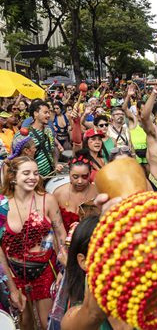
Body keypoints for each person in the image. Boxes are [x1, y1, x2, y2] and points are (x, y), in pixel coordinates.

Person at [0, 156, 67, 329]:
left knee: (48, 323)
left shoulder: (47, 200)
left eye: (36, 173)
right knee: (24, 324)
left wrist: (63, 269)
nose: (33, 177)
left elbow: (61, 234)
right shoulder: (2, 205)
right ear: (13, 177)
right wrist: (12, 288)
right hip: (14, 274)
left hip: (45, 270)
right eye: (27, 173)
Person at [53, 156, 98, 232]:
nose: (80, 181)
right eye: (75, 177)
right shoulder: (58, 194)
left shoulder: (98, 193)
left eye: (84, 176)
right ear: (69, 175)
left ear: (90, 174)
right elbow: (54, 225)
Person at [22, 100, 62, 178]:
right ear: (35, 114)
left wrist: (56, 164)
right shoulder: (26, 135)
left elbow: (52, 150)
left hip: (50, 175)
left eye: (49, 112)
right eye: (45, 112)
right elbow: (19, 159)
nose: (48, 115)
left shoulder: (48, 130)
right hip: (33, 180)